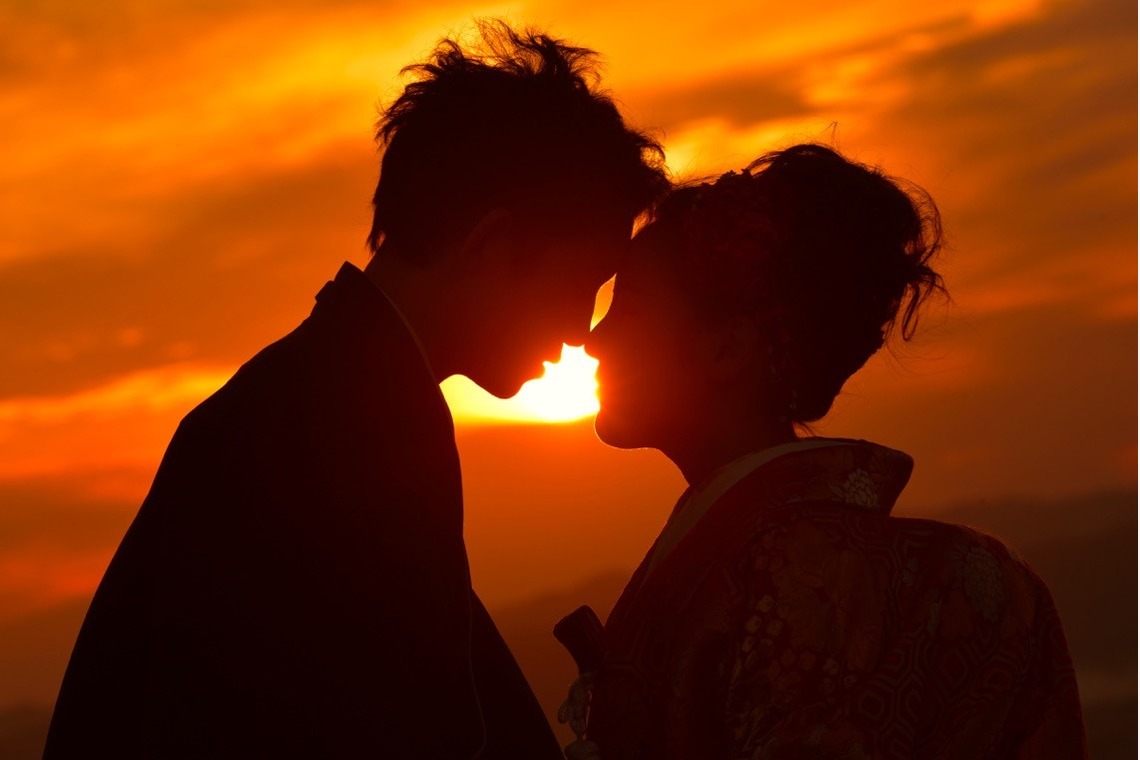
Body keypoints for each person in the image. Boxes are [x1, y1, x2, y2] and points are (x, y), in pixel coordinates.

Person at [44, 21, 668, 759]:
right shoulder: (344, 431)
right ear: (489, 247)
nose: (577, 332)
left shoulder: (322, 398)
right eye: (577, 287)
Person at [556, 144, 1087, 758]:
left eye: (628, 309)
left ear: (726, 351)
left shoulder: (805, 577)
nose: (593, 340)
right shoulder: (811, 560)